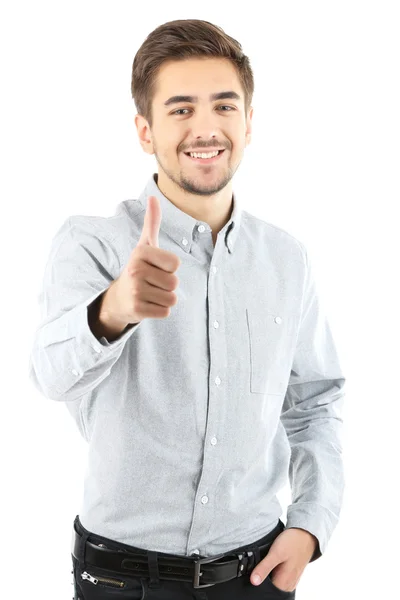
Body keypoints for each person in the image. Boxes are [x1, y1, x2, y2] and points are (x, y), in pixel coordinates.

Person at [28, 18, 346, 600]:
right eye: (180, 110)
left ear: (249, 124)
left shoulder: (287, 258)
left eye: (224, 107)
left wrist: (309, 525)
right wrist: (111, 312)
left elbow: (316, 403)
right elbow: (49, 377)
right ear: (145, 131)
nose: (206, 127)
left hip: (257, 573)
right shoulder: (92, 244)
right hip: (121, 578)